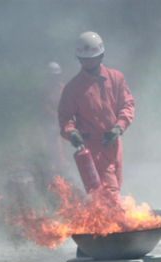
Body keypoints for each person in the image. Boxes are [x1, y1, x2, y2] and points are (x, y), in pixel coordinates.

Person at [58, 32, 135, 205]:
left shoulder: (116, 78)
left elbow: (127, 105)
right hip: (93, 147)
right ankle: (121, 227)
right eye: (84, 59)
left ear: (101, 56)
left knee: (111, 191)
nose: (89, 62)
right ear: (78, 58)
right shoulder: (72, 88)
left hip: (114, 142)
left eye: (92, 58)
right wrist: (71, 133)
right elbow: (65, 117)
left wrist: (119, 127)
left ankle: (104, 230)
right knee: (110, 193)